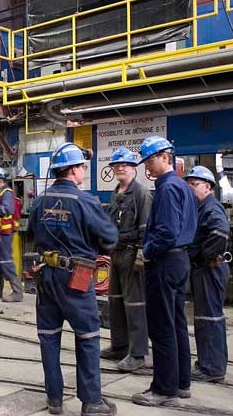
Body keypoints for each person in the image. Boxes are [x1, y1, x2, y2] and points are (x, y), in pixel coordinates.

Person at [28, 143, 118, 416]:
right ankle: (91, 402)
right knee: (88, 336)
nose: (83, 172)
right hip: (76, 278)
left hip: (46, 276)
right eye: (82, 167)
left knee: (49, 337)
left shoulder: (40, 200)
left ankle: (54, 399)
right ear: (74, 169)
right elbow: (111, 239)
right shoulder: (86, 201)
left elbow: (32, 232)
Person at [132, 136, 197, 407]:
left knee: (161, 327)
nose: (148, 165)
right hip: (180, 261)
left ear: (165, 157)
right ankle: (182, 382)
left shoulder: (168, 188)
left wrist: (146, 250)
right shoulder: (182, 187)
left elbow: (167, 232)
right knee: (177, 324)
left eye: (151, 159)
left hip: (164, 262)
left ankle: (163, 388)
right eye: (146, 161)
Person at [101, 147, 152, 372]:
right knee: (115, 301)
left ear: (134, 168)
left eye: (124, 165)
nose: (120, 168)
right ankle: (120, 346)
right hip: (116, 254)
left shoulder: (141, 194)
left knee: (135, 304)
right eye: (116, 165)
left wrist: (141, 255)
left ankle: (139, 353)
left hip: (133, 256)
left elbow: (146, 228)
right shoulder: (115, 193)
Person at [185, 166, 230, 383]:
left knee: (209, 318)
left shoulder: (211, 208)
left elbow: (220, 233)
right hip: (203, 268)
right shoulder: (199, 208)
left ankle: (212, 369)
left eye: (195, 185)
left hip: (209, 269)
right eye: (189, 184)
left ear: (208, 187)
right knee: (204, 317)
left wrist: (202, 256)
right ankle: (207, 363)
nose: (191, 188)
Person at [0, 167, 23, 302]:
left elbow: (8, 209)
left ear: (0, 180)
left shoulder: (7, 193)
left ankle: (17, 292)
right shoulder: (0, 193)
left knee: (5, 261)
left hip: (5, 234)